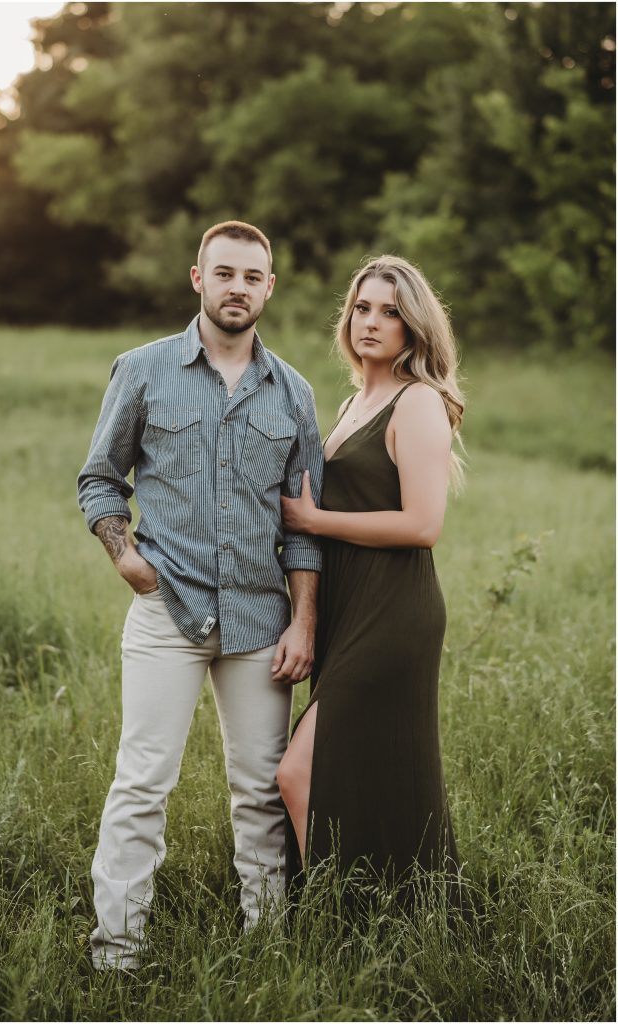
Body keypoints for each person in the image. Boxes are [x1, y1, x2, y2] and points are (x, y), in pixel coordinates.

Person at [78, 220, 323, 969]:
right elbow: (99, 479)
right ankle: (117, 951)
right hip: (166, 611)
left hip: (259, 621)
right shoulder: (145, 370)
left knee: (260, 788)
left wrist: (304, 621)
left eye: (252, 277)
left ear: (269, 287)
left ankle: (268, 944)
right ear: (198, 279)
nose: (237, 288)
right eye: (225, 274)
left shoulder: (294, 392)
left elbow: (304, 526)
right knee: (143, 780)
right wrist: (126, 559)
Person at [277, 254, 464, 899]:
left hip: (394, 611)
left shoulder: (417, 403)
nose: (371, 322)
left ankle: (333, 916)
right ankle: (393, 907)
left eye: (390, 312)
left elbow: (422, 525)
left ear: (414, 327)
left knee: (299, 771)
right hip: (350, 606)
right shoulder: (357, 399)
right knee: (359, 769)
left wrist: (313, 519)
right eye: (361, 307)